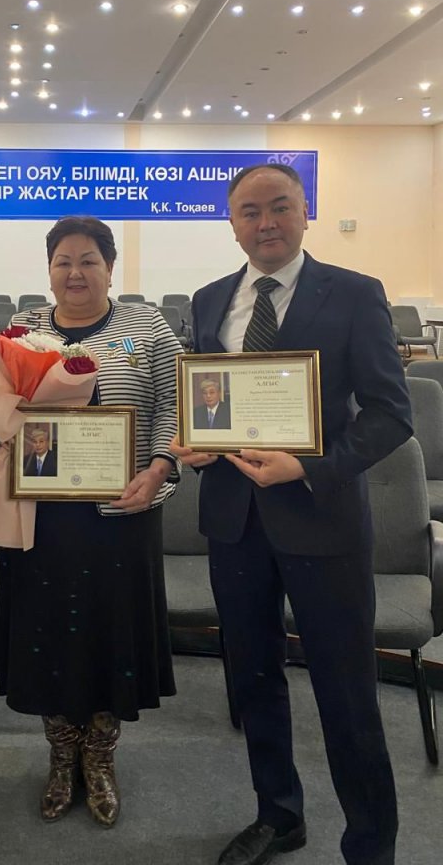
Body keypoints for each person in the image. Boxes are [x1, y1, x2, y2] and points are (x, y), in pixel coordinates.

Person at [171, 164, 411, 865]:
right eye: (249, 212)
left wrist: (310, 466)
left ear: (305, 211)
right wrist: (197, 441)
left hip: (321, 518)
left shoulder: (355, 293)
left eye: (279, 206)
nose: (266, 222)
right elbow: (210, 398)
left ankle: (370, 845)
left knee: (346, 692)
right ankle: (279, 814)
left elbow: (390, 414)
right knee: (253, 679)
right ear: (232, 224)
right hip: (235, 522)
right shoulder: (210, 299)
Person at [0, 215, 180, 828]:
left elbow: (174, 404)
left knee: (110, 638)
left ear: (110, 268)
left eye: (89, 260)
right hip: (43, 520)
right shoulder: (22, 331)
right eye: (63, 261)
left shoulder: (148, 327)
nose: (75, 272)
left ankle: (101, 755)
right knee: (49, 641)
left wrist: (161, 467)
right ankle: (62, 755)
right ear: (49, 270)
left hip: (122, 513)